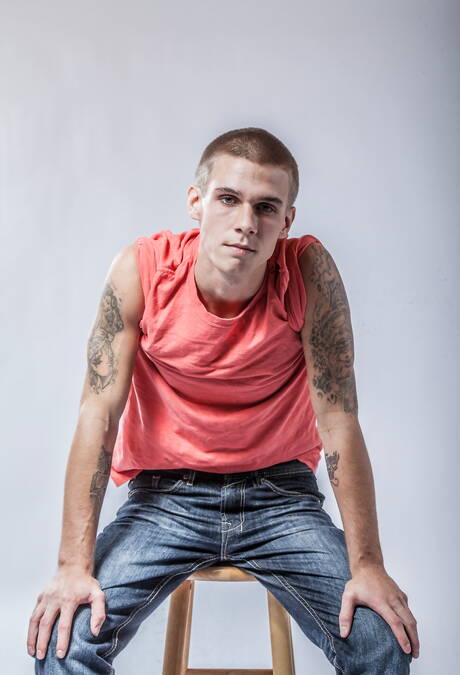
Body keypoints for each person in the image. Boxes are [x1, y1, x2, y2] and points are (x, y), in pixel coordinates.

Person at [27, 127, 419, 673]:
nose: (246, 222)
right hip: (166, 499)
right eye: (229, 199)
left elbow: (338, 420)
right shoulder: (143, 270)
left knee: (383, 639)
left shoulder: (307, 272)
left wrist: (368, 564)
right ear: (197, 201)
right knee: (64, 639)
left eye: (266, 207)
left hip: (280, 498)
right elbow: (99, 414)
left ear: (287, 220)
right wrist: (72, 564)